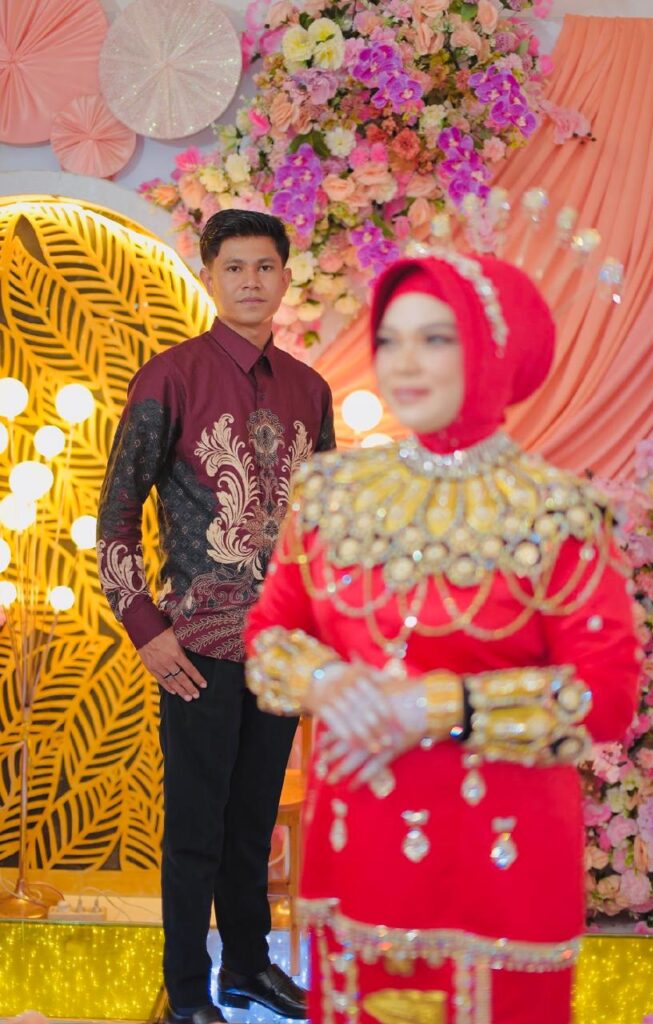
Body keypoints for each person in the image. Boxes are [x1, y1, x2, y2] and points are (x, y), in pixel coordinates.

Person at [243, 251, 641, 1024]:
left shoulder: (556, 510)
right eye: (389, 341)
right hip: (358, 847)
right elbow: (269, 633)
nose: (404, 363)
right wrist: (327, 682)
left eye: (435, 339)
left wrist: (436, 707)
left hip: (503, 855)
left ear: (493, 350)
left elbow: (606, 694)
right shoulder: (331, 492)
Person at [97, 209, 335, 1024]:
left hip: (280, 646)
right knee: (196, 828)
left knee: (254, 822)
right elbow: (115, 516)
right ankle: (187, 992)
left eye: (264, 267)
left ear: (285, 277)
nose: (250, 282)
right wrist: (144, 627)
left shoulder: (309, 389)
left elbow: (319, 525)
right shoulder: (169, 378)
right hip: (194, 643)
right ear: (209, 278)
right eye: (234, 267)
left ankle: (246, 969)